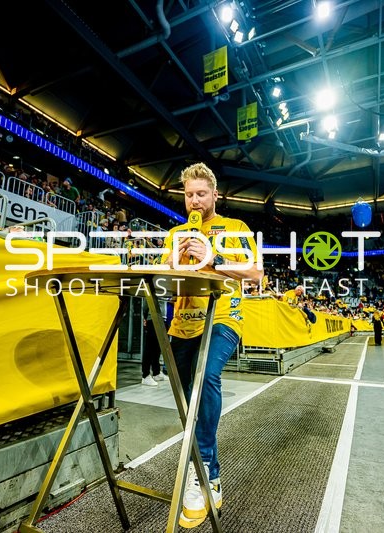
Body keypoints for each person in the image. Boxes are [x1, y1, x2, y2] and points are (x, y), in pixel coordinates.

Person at [160, 162, 262, 527]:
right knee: (189, 402)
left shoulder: (235, 228)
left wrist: (213, 258)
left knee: (205, 379)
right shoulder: (176, 234)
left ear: (215, 194)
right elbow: (163, 283)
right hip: (182, 324)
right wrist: (176, 258)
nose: (194, 201)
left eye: (201, 194)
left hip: (223, 317)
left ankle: (202, 469)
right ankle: (209, 475)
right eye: (189, 194)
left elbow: (255, 273)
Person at [140, 299, 165, 386]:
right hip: (153, 318)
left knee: (157, 348)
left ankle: (156, 372)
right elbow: (146, 305)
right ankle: (145, 375)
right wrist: (145, 317)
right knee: (149, 347)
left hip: (162, 318)